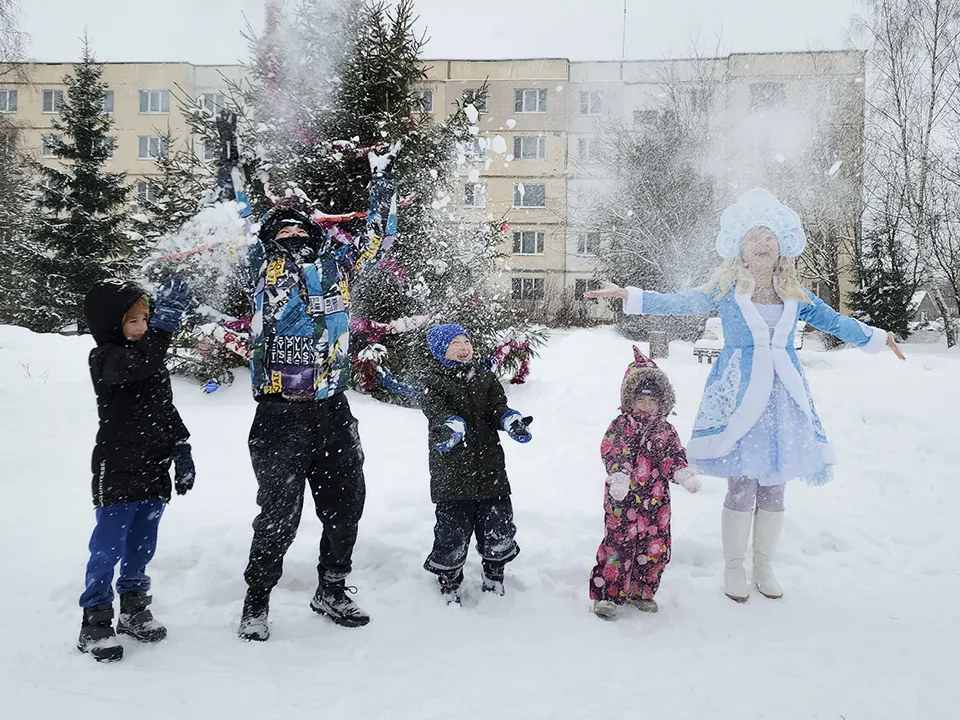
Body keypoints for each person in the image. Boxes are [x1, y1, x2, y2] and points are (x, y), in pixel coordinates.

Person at [585, 188, 905, 603]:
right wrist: (631, 295)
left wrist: (878, 337)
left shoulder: (795, 293)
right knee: (743, 485)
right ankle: (733, 568)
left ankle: (764, 567)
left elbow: (835, 322)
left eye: (770, 236)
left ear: (781, 247)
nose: (764, 242)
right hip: (739, 397)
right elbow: (682, 302)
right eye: (755, 236)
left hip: (784, 399)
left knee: (774, 485)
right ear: (741, 247)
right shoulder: (726, 290)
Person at [238, 144, 401, 641]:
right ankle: (257, 601)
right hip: (279, 415)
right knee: (278, 516)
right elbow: (235, 224)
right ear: (269, 240)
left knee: (346, 504)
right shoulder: (256, 272)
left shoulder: (337, 268)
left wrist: (383, 181)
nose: (291, 234)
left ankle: (331, 588)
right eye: (280, 230)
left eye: (298, 228)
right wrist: (231, 163)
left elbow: (380, 234)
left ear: (313, 235)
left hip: (332, 409)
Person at [78, 277, 196, 662]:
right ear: (112, 324)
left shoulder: (150, 358)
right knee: (107, 547)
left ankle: (133, 609)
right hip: (118, 469)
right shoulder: (107, 357)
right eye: (133, 320)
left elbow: (165, 407)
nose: (142, 326)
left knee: (142, 545)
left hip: (153, 468)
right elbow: (138, 365)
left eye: (146, 318)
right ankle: (94, 620)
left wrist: (182, 447)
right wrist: (163, 329)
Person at [420, 324, 532, 604]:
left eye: (465, 341)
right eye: (454, 343)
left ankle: (494, 572)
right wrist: (450, 426)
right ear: (440, 350)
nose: (463, 347)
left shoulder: (484, 377)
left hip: (490, 469)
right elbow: (435, 411)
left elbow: (497, 406)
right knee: (452, 531)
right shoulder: (433, 381)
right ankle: (449, 578)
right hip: (452, 473)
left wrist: (509, 420)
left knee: (499, 524)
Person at [590, 347, 701, 619]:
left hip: (655, 501)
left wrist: (681, 473)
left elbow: (671, 456)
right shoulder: (620, 425)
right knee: (619, 546)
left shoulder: (665, 429)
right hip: (622, 499)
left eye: (652, 402)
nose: (646, 406)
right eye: (640, 400)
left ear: (662, 403)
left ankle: (642, 591)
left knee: (655, 547)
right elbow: (613, 450)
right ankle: (608, 596)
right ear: (629, 400)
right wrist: (620, 474)